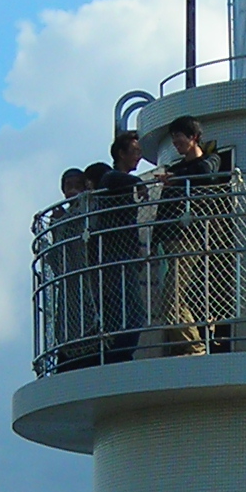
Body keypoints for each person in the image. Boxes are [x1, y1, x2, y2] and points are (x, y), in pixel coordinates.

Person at [153, 115, 225, 356]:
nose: (175, 142)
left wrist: (177, 180)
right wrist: (155, 240)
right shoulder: (175, 170)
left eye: (179, 136)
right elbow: (164, 208)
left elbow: (206, 173)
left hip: (191, 238)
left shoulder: (209, 160)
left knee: (171, 301)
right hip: (171, 240)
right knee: (171, 299)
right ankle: (189, 345)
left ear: (193, 137)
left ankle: (195, 347)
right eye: (173, 138)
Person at [91, 134, 147, 363]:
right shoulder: (110, 179)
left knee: (123, 311)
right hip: (115, 258)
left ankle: (117, 354)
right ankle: (120, 355)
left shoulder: (117, 181)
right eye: (134, 151)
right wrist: (139, 183)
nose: (139, 155)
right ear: (121, 154)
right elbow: (110, 178)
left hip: (123, 256)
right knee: (132, 312)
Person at [52, 166, 98, 369]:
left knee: (88, 315)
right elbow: (57, 261)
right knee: (67, 319)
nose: (71, 190)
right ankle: (66, 354)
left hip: (88, 279)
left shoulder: (90, 208)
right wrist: (57, 227)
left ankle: (88, 350)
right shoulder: (65, 217)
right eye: (68, 186)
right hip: (70, 282)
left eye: (76, 185)